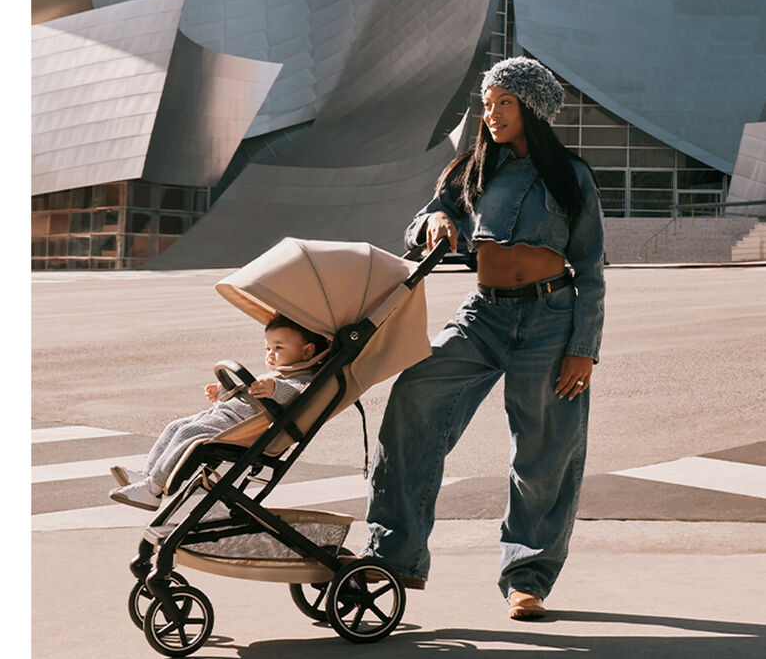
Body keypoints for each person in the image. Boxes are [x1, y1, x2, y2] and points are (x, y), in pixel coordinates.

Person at [360, 57, 605, 619]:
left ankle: (527, 578)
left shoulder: (570, 176)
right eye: (488, 104)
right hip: (483, 316)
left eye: (504, 104)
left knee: (544, 451)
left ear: (532, 110)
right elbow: (422, 221)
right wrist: (434, 224)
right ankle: (393, 556)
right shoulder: (468, 172)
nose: (491, 114)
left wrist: (582, 349)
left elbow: (590, 268)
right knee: (415, 399)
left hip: (551, 320)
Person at [109, 313, 329, 510]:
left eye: (278, 348)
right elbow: (250, 394)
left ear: (307, 351)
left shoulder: (302, 378)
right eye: (267, 348)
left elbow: (296, 397)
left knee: (189, 434)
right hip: (224, 414)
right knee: (175, 426)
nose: (270, 354)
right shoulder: (282, 372)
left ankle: (152, 490)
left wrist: (274, 389)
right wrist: (224, 391)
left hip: (238, 426)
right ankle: (150, 474)